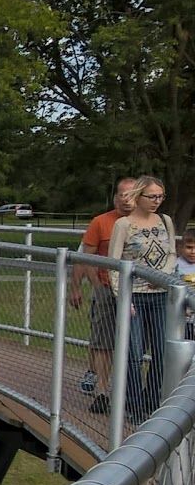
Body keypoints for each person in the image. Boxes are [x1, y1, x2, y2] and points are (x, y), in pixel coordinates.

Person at [107, 175, 173, 423]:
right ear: (139, 197)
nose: (157, 201)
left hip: (160, 296)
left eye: (160, 196)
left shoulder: (165, 221)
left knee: (161, 352)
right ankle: (133, 406)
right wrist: (122, 297)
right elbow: (114, 264)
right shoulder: (123, 225)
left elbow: (171, 254)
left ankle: (152, 399)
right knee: (133, 353)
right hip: (134, 296)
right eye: (152, 196)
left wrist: (163, 277)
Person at [72, 177, 137, 413]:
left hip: (138, 291)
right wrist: (80, 286)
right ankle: (101, 390)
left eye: (132, 194)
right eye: (123, 194)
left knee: (135, 343)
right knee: (103, 341)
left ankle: (133, 394)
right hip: (106, 289)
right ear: (116, 197)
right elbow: (85, 255)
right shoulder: (101, 222)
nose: (127, 199)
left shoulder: (144, 224)